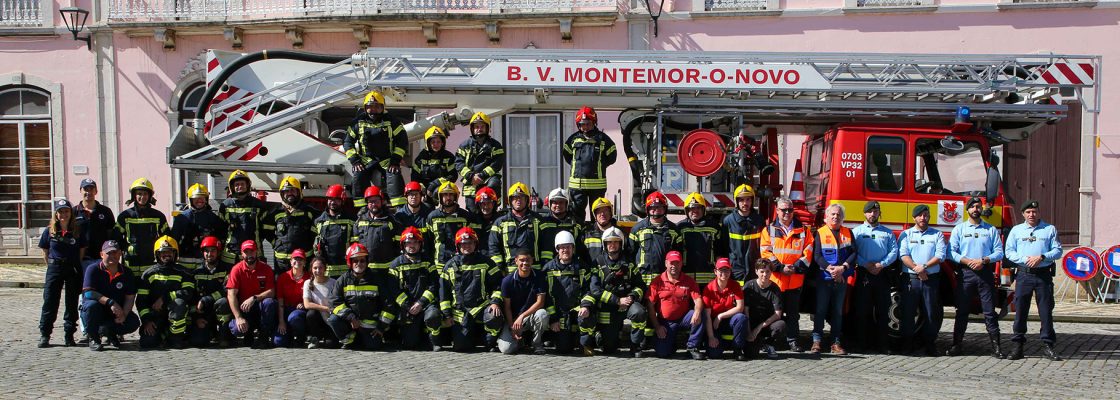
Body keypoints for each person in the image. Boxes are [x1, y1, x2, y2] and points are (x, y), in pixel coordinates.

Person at [947, 196, 1006, 358]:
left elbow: (999, 252)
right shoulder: (959, 229)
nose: (975, 209)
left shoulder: (990, 230)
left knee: (989, 312)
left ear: (982, 209)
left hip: (984, 273)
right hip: (965, 273)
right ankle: (956, 345)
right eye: (972, 207)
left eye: (978, 206)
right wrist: (966, 261)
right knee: (962, 312)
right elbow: (950, 252)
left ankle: (997, 348)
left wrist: (984, 260)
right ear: (967, 210)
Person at [1005, 200, 1063, 361]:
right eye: (1028, 212)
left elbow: (1058, 250)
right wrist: (1024, 259)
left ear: (1039, 213)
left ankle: (1048, 346)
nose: (1032, 214)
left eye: (1034, 211)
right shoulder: (1016, 231)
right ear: (1023, 214)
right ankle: (1018, 346)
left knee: (1045, 311)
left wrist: (1042, 257)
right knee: (1021, 311)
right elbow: (1009, 251)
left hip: (1043, 275)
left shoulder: (1049, 229)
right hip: (1024, 275)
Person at [581, 227, 647, 358]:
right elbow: (595, 290)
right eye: (609, 242)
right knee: (609, 348)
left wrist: (631, 296)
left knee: (639, 312)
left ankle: (635, 345)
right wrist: (617, 300)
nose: (612, 245)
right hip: (607, 308)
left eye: (616, 242)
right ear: (604, 244)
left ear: (621, 243)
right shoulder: (598, 263)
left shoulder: (629, 263)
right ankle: (600, 335)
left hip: (626, 306)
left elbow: (640, 285)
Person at [438, 227, 505, 352]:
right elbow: (444, 293)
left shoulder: (487, 263)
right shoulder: (450, 266)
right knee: (461, 347)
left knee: (494, 317)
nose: (467, 246)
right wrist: (447, 314)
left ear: (476, 244)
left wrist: (495, 302)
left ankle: (488, 340)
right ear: (458, 245)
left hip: (482, 307)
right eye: (463, 243)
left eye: (470, 243)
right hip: (460, 311)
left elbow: (498, 285)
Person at [760, 196, 813, 352]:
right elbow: (765, 252)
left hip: (794, 280)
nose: (787, 213)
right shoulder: (768, 230)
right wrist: (780, 268)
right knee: (771, 313)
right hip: (776, 280)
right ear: (777, 210)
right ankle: (768, 341)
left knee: (793, 314)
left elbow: (808, 251)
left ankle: (793, 341)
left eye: (790, 210)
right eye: (783, 210)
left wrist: (795, 267)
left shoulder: (803, 230)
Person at [327, 243, 398, 350]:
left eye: (362, 260)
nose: (359, 263)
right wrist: (350, 317)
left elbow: (389, 305)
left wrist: (381, 327)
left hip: (370, 326)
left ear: (367, 262)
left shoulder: (376, 279)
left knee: (373, 347)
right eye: (355, 261)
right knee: (333, 319)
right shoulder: (343, 280)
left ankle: (362, 340)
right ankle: (350, 340)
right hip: (350, 324)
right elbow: (334, 302)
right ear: (350, 262)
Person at [344, 90, 407, 208]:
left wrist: (395, 161)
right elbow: (348, 142)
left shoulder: (392, 121)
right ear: (365, 107)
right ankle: (361, 210)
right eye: (370, 107)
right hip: (365, 160)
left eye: (377, 107)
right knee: (358, 177)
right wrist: (355, 161)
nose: (373, 110)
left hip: (387, 161)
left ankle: (399, 210)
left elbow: (402, 141)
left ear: (383, 107)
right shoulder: (357, 122)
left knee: (395, 178)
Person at [899, 204, 947, 357]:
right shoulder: (906, 234)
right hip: (911, 279)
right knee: (908, 313)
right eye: (919, 215)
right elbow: (903, 255)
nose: (923, 218)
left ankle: (930, 345)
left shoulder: (937, 235)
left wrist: (924, 267)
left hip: (930, 279)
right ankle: (907, 345)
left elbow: (940, 255)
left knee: (931, 313)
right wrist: (916, 269)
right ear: (914, 218)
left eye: (926, 215)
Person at [851, 200, 898, 354]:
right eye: (870, 211)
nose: (873, 214)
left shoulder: (887, 232)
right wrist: (866, 264)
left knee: (883, 311)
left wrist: (881, 264)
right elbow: (853, 253)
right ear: (864, 213)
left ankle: (883, 345)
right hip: (864, 274)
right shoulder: (857, 232)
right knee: (862, 311)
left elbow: (893, 252)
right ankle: (862, 344)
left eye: (875, 211)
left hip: (882, 274)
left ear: (879, 213)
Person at [38, 199, 87, 348]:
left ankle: (69, 334)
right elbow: (45, 252)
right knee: (50, 301)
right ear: (56, 214)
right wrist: (54, 265)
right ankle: (45, 334)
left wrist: (71, 264)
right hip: (55, 269)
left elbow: (81, 252)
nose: (63, 214)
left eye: (66, 211)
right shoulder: (49, 231)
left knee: (71, 302)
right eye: (60, 211)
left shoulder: (77, 231)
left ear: (71, 213)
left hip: (72, 269)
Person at [809, 203, 855, 355]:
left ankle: (835, 343)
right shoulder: (820, 233)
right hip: (824, 279)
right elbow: (817, 256)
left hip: (841, 278)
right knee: (820, 310)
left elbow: (853, 253)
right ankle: (817, 341)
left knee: (837, 312)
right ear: (826, 216)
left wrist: (843, 269)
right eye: (833, 214)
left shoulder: (848, 233)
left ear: (843, 218)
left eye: (839, 215)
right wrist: (830, 269)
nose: (836, 217)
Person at [80, 240, 141, 351]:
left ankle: (110, 332)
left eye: (115, 253)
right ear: (101, 254)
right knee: (91, 306)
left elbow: (130, 297)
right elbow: (88, 293)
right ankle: (94, 338)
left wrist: (124, 314)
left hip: (115, 312)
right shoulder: (93, 269)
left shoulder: (127, 272)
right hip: (97, 309)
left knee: (133, 322)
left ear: (120, 254)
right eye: (109, 253)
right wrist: (110, 302)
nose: (113, 256)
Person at [137, 236, 197, 349]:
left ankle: (175, 338)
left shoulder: (184, 272)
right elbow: (141, 301)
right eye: (163, 252)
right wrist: (147, 321)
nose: (167, 255)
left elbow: (188, 292)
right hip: (155, 315)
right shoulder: (148, 274)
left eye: (170, 251)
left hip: (176, 313)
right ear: (157, 255)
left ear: (175, 254)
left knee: (179, 303)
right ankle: (163, 334)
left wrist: (164, 298)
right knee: (147, 343)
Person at [390, 227, 442, 351]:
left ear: (420, 244)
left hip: (426, 304)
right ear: (403, 245)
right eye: (408, 243)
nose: (411, 245)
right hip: (408, 307)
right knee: (410, 344)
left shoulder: (428, 262)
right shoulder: (396, 264)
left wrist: (421, 302)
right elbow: (394, 290)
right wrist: (408, 306)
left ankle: (434, 341)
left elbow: (433, 285)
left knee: (433, 316)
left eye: (415, 242)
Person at [562, 106, 617, 223]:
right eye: (582, 124)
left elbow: (612, 157)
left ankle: (596, 236)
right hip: (577, 186)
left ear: (594, 123)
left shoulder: (604, 139)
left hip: (597, 186)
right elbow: (567, 155)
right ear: (578, 125)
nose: (585, 127)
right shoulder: (573, 139)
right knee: (576, 216)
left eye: (588, 123)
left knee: (598, 215)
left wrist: (600, 165)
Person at [648, 251, 705, 360]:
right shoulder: (657, 281)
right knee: (662, 353)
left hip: (684, 318)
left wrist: (697, 312)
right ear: (666, 263)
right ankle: (669, 343)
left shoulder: (689, 281)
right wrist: (657, 326)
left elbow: (698, 300)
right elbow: (650, 305)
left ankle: (692, 348)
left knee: (701, 312)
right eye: (671, 263)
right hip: (665, 322)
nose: (674, 266)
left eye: (677, 263)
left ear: (681, 264)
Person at [542, 230, 590, 355]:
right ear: (557, 249)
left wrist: (585, 306)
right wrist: (553, 319)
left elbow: (588, 289)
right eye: (562, 247)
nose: (565, 250)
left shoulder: (582, 267)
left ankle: (585, 341)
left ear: (573, 248)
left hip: (577, 313)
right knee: (563, 349)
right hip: (558, 315)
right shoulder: (548, 269)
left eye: (568, 247)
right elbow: (545, 296)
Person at [225, 240, 278, 348]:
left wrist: (254, 298)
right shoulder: (236, 270)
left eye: (252, 251)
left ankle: (263, 337)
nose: (249, 255)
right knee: (236, 329)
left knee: (269, 302)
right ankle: (247, 333)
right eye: (246, 252)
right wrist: (239, 317)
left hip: (260, 309)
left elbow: (272, 292)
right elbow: (231, 295)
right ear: (241, 253)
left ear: (257, 252)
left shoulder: (266, 268)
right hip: (244, 310)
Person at [498, 249, 550, 355]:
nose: (525, 263)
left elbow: (540, 302)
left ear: (532, 261)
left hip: (530, 316)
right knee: (507, 350)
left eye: (528, 260)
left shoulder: (539, 277)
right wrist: (512, 326)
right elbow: (507, 307)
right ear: (516, 261)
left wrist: (522, 316)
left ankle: (537, 344)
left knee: (542, 314)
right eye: (522, 260)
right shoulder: (507, 281)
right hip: (513, 319)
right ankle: (512, 340)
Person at [116, 177, 170, 275]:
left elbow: (166, 238)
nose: (142, 197)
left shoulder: (158, 216)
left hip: (152, 263)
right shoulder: (124, 216)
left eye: (145, 194)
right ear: (134, 196)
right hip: (130, 263)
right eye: (139, 194)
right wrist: (127, 249)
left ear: (150, 196)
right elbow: (116, 238)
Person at [455, 112, 505, 213]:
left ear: (487, 128)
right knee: (473, 215)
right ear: (472, 129)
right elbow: (459, 163)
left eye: (482, 126)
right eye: (476, 126)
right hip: (471, 183)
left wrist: (482, 175)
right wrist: (471, 176)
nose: (479, 129)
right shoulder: (464, 145)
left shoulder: (495, 145)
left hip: (488, 180)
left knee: (494, 185)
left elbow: (497, 163)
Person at [188, 236, 233, 347]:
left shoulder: (226, 270)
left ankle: (224, 335)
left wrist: (206, 299)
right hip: (202, 312)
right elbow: (192, 297)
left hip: (219, 308)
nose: (209, 254)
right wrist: (197, 318)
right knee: (198, 342)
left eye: (213, 250)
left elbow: (226, 291)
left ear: (218, 252)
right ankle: (210, 332)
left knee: (224, 302)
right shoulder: (196, 272)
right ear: (202, 253)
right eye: (206, 251)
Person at [219, 170, 272, 265]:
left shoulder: (258, 205)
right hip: (231, 256)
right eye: (237, 184)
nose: (240, 186)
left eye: (242, 184)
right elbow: (220, 230)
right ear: (232, 187)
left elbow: (266, 230)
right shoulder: (225, 205)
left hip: (254, 254)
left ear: (248, 185)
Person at [171, 183, 228, 270]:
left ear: (206, 199)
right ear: (190, 199)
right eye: (196, 198)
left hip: (206, 264)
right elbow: (174, 240)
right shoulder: (181, 218)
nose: (199, 200)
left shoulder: (214, 218)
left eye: (202, 198)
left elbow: (221, 239)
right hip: (184, 263)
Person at [267, 177, 318, 275]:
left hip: (303, 260)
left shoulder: (309, 211)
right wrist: (277, 244)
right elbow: (266, 229)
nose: (289, 193)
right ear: (282, 194)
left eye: (292, 190)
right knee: (282, 288)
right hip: (281, 262)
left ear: (298, 192)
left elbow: (316, 231)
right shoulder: (276, 212)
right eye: (286, 191)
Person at [631, 191, 681, 286]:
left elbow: (679, 254)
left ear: (665, 209)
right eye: (652, 207)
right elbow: (630, 253)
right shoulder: (637, 229)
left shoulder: (673, 230)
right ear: (647, 209)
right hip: (642, 280)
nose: (656, 210)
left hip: (666, 281)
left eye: (659, 207)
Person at [488, 182, 541, 272]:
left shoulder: (538, 220)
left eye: (521, 197)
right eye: (515, 197)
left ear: (527, 200)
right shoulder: (500, 222)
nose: (518, 200)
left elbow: (546, 246)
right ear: (510, 200)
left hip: (534, 271)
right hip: (510, 272)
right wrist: (500, 269)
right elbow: (494, 248)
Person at [426, 182, 478, 271]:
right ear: (440, 197)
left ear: (456, 196)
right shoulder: (432, 217)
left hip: (461, 262)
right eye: (445, 195)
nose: (448, 197)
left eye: (451, 194)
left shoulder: (465, 216)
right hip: (440, 263)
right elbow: (428, 242)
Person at [702, 258, 747, 360]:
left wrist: (721, 316)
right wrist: (711, 337)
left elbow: (740, 307)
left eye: (727, 270)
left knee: (741, 317)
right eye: (721, 270)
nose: (724, 273)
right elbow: (707, 316)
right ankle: (720, 344)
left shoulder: (735, 285)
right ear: (715, 272)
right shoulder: (708, 289)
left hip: (729, 319)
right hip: (713, 324)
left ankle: (738, 350)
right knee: (714, 354)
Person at [353, 185, 403, 275]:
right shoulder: (360, 221)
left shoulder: (391, 221)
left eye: (376, 201)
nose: (373, 204)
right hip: (365, 270)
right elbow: (354, 244)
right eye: (370, 201)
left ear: (381, 201)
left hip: (386, 271)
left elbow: (399, 246)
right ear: (367, 204)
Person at [722, 184, 765, 285]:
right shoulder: (728, 221)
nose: (745, 203)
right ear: (736, 201)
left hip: (754, 268)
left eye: (748, 200)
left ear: (752, 201)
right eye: (741, 200)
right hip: (735, 269)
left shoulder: (759, 220)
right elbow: (723, 247)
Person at [744, 259, 785, 360]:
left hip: (767, 324)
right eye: (762, 271)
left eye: (767, 271)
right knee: (751, 355)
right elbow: (746, 311)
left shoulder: (775, 289)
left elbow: (777, 314)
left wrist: (759, 328)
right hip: (751, 324)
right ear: (756, 271)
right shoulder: (749, 286)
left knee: (781, 325)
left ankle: (768, 344)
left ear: (771, 272)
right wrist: (750, 331)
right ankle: (755, 343)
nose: (765, 274)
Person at [313, 184, 356, 278]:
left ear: (342, 200)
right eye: (330, 199)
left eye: (336, 199)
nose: (332, 202)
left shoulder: (351, 220)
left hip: (345, 272)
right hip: (325, 272)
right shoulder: (319, 221)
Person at [678, 192, 724, 278]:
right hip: (686, 278)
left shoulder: (714, 227)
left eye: (698, 208)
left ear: (703, 209)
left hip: (709, 279)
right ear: (687, 211)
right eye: (692, 208)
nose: (695, 211)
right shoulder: (680, 228)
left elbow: (720, 252)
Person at [413, 126, 458, 207]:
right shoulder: (421, 157)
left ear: (442, 143)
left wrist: (435, 184)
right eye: (433, 142)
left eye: (438, 142)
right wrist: (422, 189)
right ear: (428, 143)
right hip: (425, 193)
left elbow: (453, 175)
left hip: (443, 191)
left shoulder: (448, 156)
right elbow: (415, 176)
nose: (436, 144)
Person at [538, 188, 583, 266]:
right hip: (546, 266)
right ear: (550, 204)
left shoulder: (574, 224)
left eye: (561, 202)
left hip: (570, 266)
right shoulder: (543, 223)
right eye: (555, 202)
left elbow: (579, 248)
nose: (558, 205)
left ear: (567, 204)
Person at [274, 249, 310, 348]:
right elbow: (280, 301)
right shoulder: (283, 277)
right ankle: (288, 335)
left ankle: (300, 337)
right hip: (285, 311)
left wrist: (304, 303)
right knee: (279, 342)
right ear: (290, 262)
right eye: (295, 259)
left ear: (305, 263)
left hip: (300, 312)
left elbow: (313, 297)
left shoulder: (309, 277)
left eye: (300, 259)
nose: (297, 261)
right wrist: (281, 322)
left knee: (294, 317)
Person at [73, 179, 116, 262]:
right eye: (85, 189)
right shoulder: (73, 212)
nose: (88, 192)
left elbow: (111, 234)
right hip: (81, 257)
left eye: (91, 189)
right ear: (80, 191)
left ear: (96, 191)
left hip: (101, 257)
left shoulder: (106, 211)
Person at [580, 197, 631, 263]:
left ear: (611, 213)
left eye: (605, 210)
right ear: (594, 215)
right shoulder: (586, 234)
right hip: (592, 272)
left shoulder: (621, 233)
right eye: (599, 211)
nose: (602, 214)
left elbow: (628, 254)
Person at [303, 257, 339, 349]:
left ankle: (329, 335)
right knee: (311, 314)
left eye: (320, 268)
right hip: (318, 319)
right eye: (315, 268)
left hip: (330, 319)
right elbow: (307, 304)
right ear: (311, 269)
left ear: (325, 268)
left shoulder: (333, 283)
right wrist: (326, 308)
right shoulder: (307, 283)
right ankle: (315, 338)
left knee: (331, 345)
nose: (318, 270)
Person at [473, 186, 500, 258]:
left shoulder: (500, 220)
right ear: (478, 205)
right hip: (478, 259)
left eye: (489, 203)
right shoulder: (472, 220)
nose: (486, 207)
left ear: (494, 204)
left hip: (496, 257)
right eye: (483, 204)